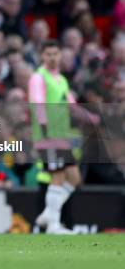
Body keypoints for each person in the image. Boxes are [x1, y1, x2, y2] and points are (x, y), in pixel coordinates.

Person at [29, 40, 98, 234]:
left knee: (74, 177)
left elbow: (72, 107)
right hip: (48, 136)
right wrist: (44, 127)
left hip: (61, 136)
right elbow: (38, 103)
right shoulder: (38, 78)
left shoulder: (61, 80)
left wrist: (92, 118)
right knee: (58, 175)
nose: (52, 58)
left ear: (60, 56)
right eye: (48, 54)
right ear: (42, 56)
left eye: (55, 54)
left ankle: (48, 214)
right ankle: (53, 224)